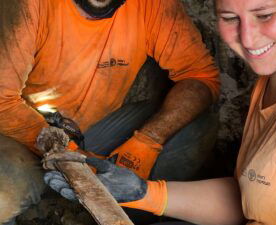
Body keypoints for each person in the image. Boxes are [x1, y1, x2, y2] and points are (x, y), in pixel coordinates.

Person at [44, 0, 276, 224]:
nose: (247, 37)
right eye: (230, 18)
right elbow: (253, 196)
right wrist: (142, 192)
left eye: (264, 15)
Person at [0, 0, 221, 224]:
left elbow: (200, 76)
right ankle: (47, 203)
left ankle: (124, 211)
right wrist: (71, 155)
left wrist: (147, 142)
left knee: (196, 125)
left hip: (96, 131)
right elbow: (2, 102)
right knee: (2, 198)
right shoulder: (30, 5)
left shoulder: (152, 4)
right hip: (23, 135)